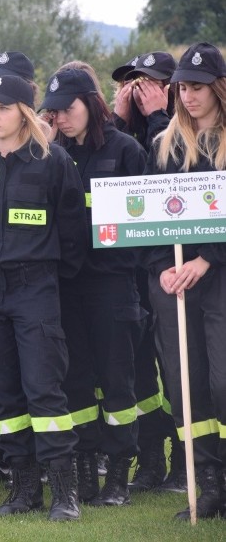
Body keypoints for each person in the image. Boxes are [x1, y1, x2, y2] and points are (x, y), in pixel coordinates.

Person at [0, 75, 88, 521]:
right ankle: (24, 489)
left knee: (43, 391)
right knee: (4, 395)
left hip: (35, 288)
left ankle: (64, 493)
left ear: (25, 112)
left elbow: (73, 233)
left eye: (3, 107)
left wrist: (49, 279)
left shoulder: (53, 162)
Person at [42, 67, 148, 506]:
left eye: (69, 109)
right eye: (54, 112)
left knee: (116, 381)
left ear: (91, 102)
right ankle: (86, 469)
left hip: (111, 283)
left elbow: (140, 224)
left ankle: (119, 475)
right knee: (76, 381)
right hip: (67, 283)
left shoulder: (125, 151)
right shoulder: (51, 153)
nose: (62, 118)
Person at [144, 42, 226, 520]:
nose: (188, 97)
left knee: (221, 382)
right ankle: (209, 484)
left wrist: (207, 260)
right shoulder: (167, 144)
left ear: (217, 88)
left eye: (197, 88)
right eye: (182, 89)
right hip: (175, 282)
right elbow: (152, 218)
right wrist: (162, 265)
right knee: (186, 384)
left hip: (218, 277)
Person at [110, 52, 186, 495]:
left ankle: (186, 460)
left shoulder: (177, 126)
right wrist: (118, 119)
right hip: (128, 270)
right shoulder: (123, 134)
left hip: (171, 267)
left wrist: (160, 114)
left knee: (177, 368)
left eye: (150, 83)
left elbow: (173, 166)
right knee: (137, 372)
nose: (139, 91)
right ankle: (151, 458)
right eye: (131, 83)